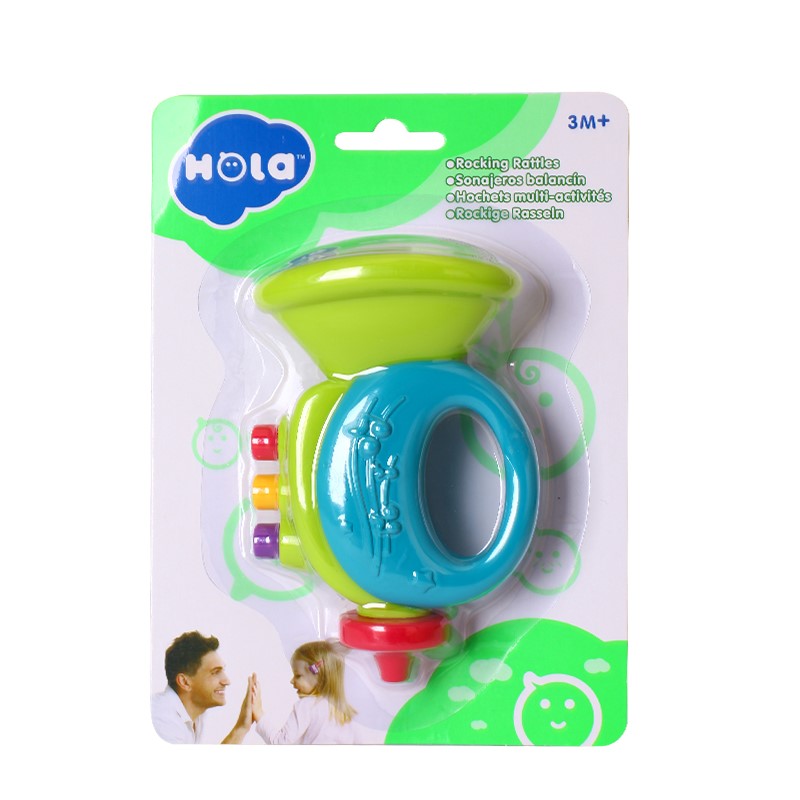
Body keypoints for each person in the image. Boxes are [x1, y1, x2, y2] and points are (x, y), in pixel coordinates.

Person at [151, 631, 256, 744]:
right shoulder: (163, 720)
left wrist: (242, 726)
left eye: (222, 671)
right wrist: (240, 728)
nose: (227, 681)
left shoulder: (196, 715)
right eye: (215, 672)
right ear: (185, 682)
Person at [253, 640, 358, 744]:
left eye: (298, 676)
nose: (292, 681)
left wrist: (259, 714)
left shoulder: (307, 706)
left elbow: (280, 742)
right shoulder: (344, 711)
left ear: (319, 677)